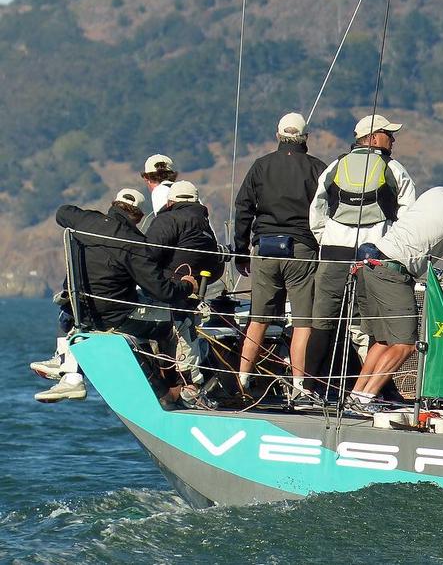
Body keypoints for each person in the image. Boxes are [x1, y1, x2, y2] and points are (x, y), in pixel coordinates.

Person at [348, 166, 443, 410]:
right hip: (393, 273)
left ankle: (357, 395)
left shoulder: (436, 192)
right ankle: (367, 398)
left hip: (372, 266)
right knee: (405, 344)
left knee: (382, 341)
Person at [37, 188, 198, 404]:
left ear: (113, 204)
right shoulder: (135, 242)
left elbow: (62, 212)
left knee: (69, 308)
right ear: (139, 217)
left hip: (81, 310)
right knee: (172, 325)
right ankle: (173, 391)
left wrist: (92, 217)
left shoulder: (86, 220)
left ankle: (70, 371)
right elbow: (163, 292)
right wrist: (187, 286)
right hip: (114, 316)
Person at [307, 114, 416, 383]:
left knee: (324, 320)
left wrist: (325, 238)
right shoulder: (394, 168)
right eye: (388, 134)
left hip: (333, 250)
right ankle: (369, 389)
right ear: (373, 137)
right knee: (373, 325)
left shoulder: (335, 165)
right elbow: (410, 213)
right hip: (374, 255)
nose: (393, 139)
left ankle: (309, 384)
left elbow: (317, 209)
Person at [233, 112, 327, 398]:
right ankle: (300, 386)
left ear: (278, 136)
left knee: (258, 318)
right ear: (305, 138)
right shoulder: (317, 169)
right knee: (302, 322)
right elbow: (326, 212)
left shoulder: (261, 166)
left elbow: (244, 209)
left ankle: (241, 379)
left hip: (265, 249)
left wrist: (240, 252)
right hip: (302, 250)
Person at [146, 180, 224, 402]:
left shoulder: (168, 219)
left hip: (169, 291)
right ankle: (191, 383)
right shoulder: (205, 225)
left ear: (172, 201)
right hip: (195, 292)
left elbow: (147, 255)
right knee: (185, 334)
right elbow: (216, 264)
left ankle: (178, 385)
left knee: (164, 338)